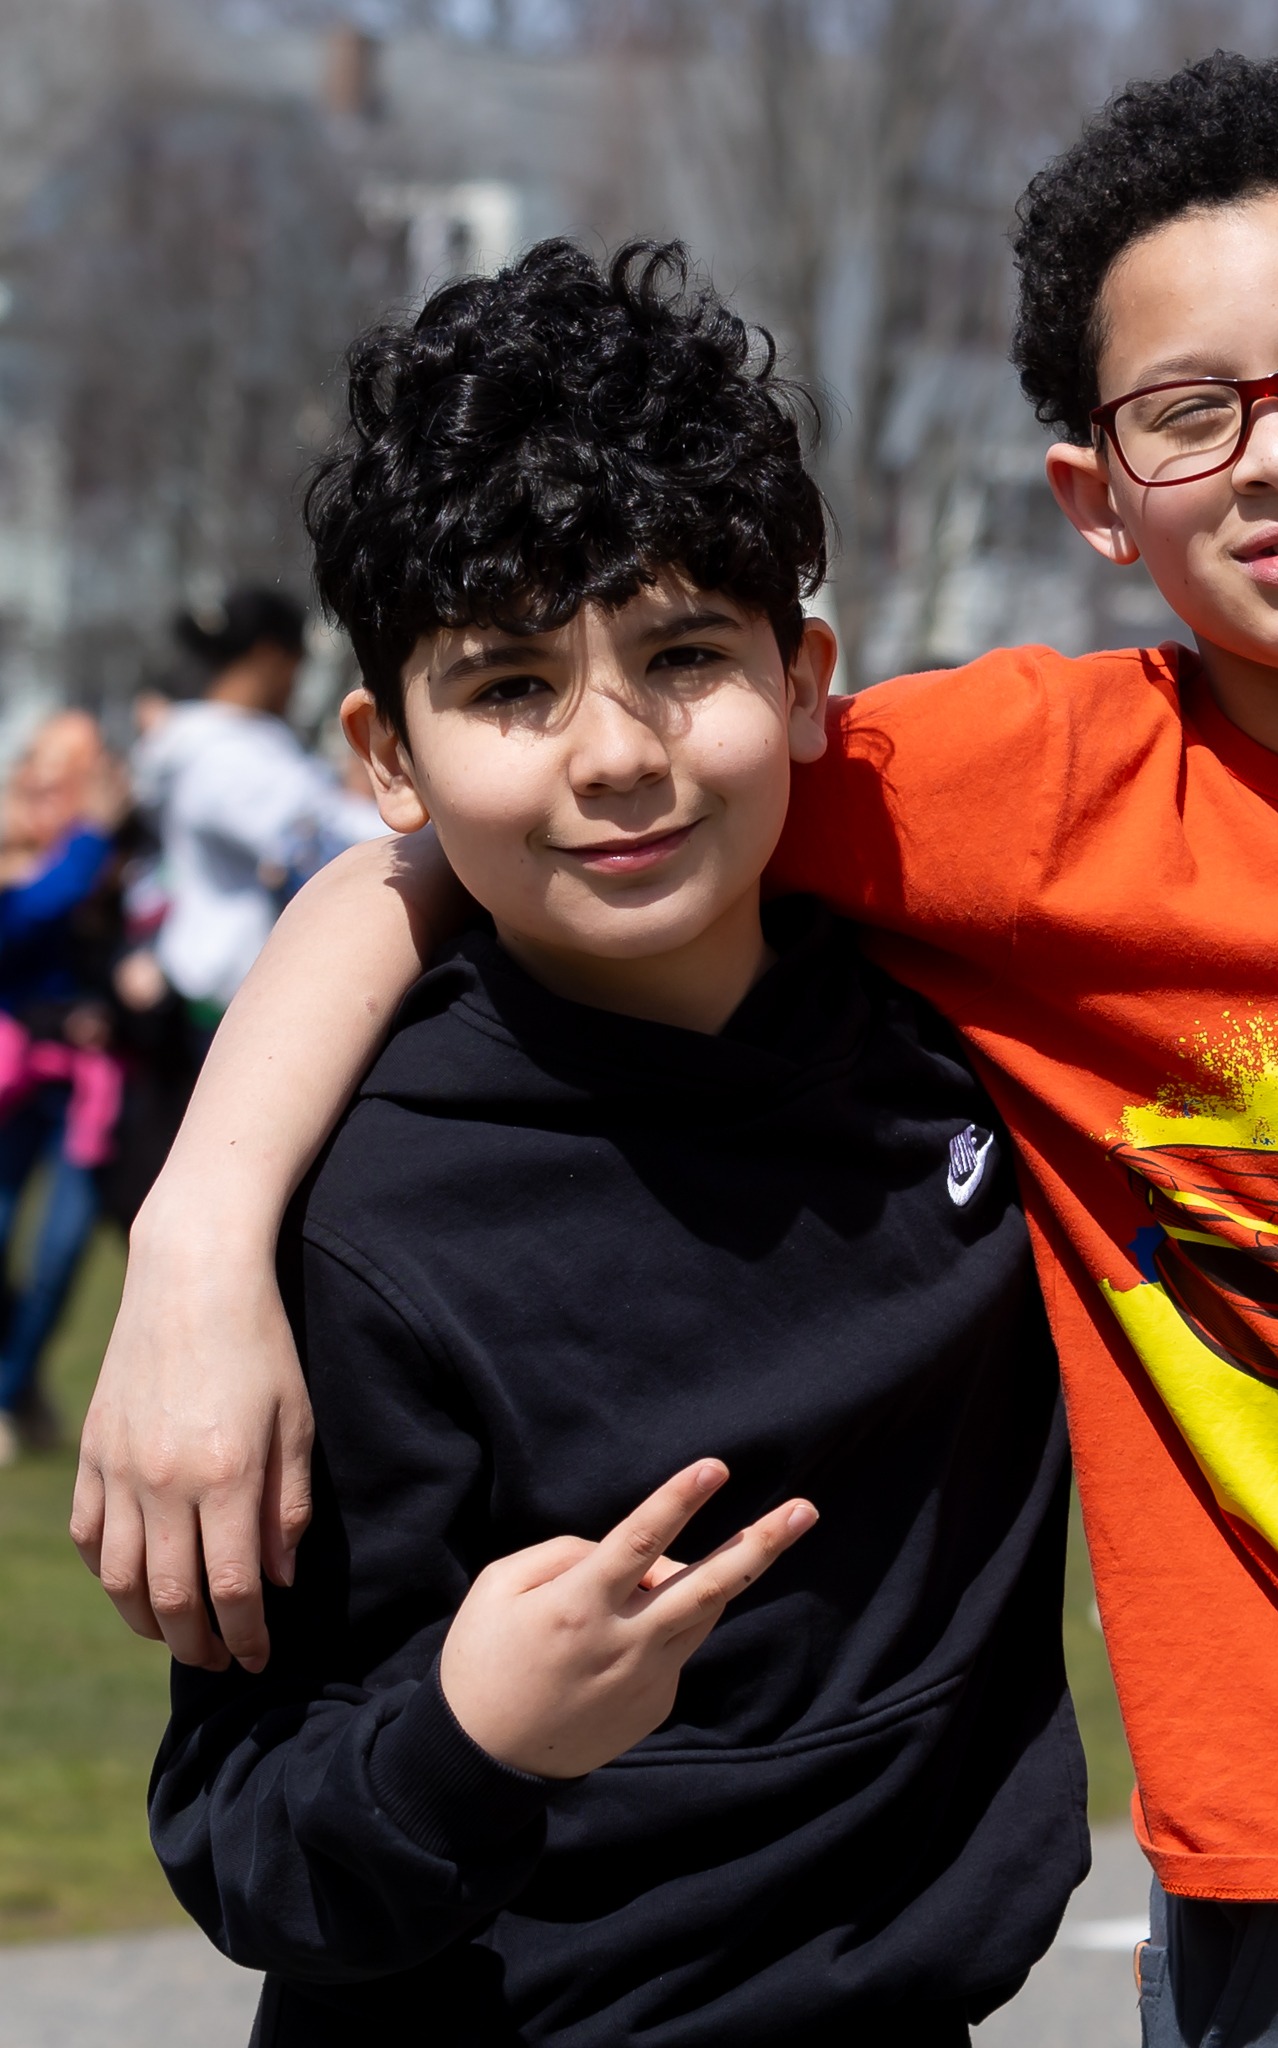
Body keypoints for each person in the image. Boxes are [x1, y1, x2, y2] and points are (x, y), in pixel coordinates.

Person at [73, 61, 1278, 2048]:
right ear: (1098, 497)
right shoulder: (1004, 805)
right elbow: (476, 841)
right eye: (1186, 412)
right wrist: (199, 1239)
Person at [147, 247, 1081, 2044]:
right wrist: (466, 1733)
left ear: (805, 678)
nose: (618, 755)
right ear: (385, 756)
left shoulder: (972, 1050)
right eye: (507, 687)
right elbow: (243, 1838)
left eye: (682, 656)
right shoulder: (353, 1219)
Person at [130, 588, 385, 1044]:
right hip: (226, 996)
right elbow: (320, 841)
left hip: (229, 983)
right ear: (270, 656)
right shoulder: (224, 756)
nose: (297, 681)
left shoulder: (231, 742)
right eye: (297, 664)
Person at [0, 713, 126, 1462]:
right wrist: (90, 842)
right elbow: (21, 920)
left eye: (66, 785)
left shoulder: (113, 860)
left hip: (90, 1088)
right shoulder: (67, 860)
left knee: (61, 1252)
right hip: (13, 1082)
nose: (48, 799)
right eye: (36, 783)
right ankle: (17, 1388)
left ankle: (12, 1392)